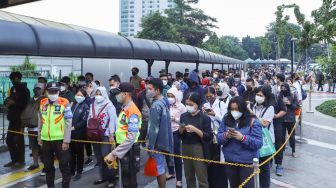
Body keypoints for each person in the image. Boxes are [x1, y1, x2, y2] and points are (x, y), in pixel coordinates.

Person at [217, 96, 263, 188]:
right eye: (232, 109)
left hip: (247, 162)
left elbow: (258, 143)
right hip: (230, 160)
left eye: (237, 109)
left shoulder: (253, 121)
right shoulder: (226, 119)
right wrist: (226, 136)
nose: (234, 111)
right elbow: (219, 138)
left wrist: (243, 138)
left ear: (243, 109)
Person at [105, 82, 142, 188]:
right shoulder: (125, 108)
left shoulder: (132, 111)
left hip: (129, 149)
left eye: (119, 93)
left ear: (125, 94)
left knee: (130, 182)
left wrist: (114, 153)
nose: (117, 96)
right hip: (124, 148)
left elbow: (131, 138)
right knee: (125, 179)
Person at [38, 82, 73, 188]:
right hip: (46, 140)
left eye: (56, 91)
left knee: (64, 166)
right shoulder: (42, 102)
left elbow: (68, 122)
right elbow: (40, 121)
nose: (53, 93)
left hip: (60, 140)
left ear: (58, 92)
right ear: (46, 92)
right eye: (51, 91)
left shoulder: (64, 102)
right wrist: (39, 137)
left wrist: (66, 140)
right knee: (48, 167)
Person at [179, 92, 212, 188]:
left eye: (191, 104)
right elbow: (180, 135)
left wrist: (195, 130)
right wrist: (181, 129)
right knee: (188, 175)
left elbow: (208, 136)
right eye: (187, 104)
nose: (188, 106)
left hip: (198, 147)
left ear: (198, 104)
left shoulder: (204, 118)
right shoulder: (184, 116)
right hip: (185, 146)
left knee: (201, 176)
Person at [88, 87, 117, 187]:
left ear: (104, 94)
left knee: (107, 156)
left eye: (100, 94)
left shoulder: (109, 105)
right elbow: (89, 119)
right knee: (99, 157)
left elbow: (113, 120)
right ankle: (103, 176)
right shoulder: (92, 105)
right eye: (96, 94)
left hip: (106, 135)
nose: (98, 96)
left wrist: (111, 134)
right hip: (95, 135)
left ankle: (112, 179)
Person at [147, 78, 173, 188]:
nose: (148, 91)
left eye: (150, 89)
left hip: (158, 142)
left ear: (157, 90)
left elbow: (153, 128)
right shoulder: (164, 101)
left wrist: (151, 145)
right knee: (161, 166)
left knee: (159, 168)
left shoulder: (156, 105)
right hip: (165, 138)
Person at [249, 85, 275, 188]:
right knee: (252, 166)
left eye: (261, 95)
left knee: (264, 168)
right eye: (257, 94)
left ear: (266, 97)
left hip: (265, 142)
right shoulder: (252, 106)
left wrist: (252, 114)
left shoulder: (270, 108)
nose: (258, 96)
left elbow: (264, 123)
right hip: (253, 139)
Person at [203, 87, 228, 188]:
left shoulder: (221, 104)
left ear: (215, 95)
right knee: (209, 163)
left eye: (211, 96)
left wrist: (215, 114)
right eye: (207, 97)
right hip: (209, 135)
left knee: (219, 164)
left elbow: (226, 119)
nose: (209, 98)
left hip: (219, 135)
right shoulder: (205, 105)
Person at [4, 72, 30, 169]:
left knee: (19, 140)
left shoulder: (25, 90)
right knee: (9, 140)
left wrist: (14, 103)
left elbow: (26, 105)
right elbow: (9, 99)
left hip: (20, 119)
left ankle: (21, 161)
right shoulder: (12, 89)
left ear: (18, 78)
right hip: (12, 118)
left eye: (13, 79)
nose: (12, 81)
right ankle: (14, 160)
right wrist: (7, 102)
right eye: (11, 79)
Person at [166, 87, 187, 188]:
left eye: (172, 96)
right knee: (166, 152)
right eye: (168, 96)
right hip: (166, 132)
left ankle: (179, 179)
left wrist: (175, 119)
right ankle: (171, 172)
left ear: (176, 96)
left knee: (176, 154)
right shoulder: (166, 105)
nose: (170, 98)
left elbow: (185, 121)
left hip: (176, 132)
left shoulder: (181, 107)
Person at [22, 83, 44, 171]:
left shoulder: (44, 99)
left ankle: (46, 166)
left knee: (43, 148)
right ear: (33, 90)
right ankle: (35, 163)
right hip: (31, 127)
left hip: (41, 128)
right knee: (34, 147)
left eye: (39, 89)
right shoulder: (30, 100)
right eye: (36, 88)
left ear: (42, 90)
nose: (37, 90)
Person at [70, 88, 90, 181]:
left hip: (79, 133)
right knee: (71, 152)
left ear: (85, 97)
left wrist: (75, 127)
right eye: (78, 95)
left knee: (79, 153)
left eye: (81, 96)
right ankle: (72, 170)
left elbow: (84, 120)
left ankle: (79, 171)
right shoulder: (73, 105)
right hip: (70, 133)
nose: (79, 97)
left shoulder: (85, 106)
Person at [280, 83, 298, 158]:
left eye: (285, 88)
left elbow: (296, 106)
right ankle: (282, 149)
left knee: (292, 136)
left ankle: (293, 150)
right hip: (282, 119)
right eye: (282, 88)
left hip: (290, 119)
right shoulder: (279, 96)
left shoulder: (292, 96)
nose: (283, 90)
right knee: (282, 136)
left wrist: (289, 104)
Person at [136, 76, 153, 145]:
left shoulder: (157, 93)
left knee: (152, 140)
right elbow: (138, 107)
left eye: (150, 82)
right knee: (140, 139)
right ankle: (138, 155)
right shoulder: (140, 94)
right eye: (147, 82)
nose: (148, 84)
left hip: (154, 122)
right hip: (143, 121)